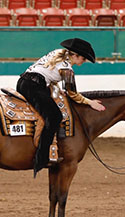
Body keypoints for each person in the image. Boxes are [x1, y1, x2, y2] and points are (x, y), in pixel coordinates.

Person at [16, 38, 106, 177]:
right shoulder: (67, 69)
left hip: (25, 82)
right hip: (34, 87)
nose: (84, 61)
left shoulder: (58, 53)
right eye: (83, 58)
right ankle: (43, 156)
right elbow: (73, 94)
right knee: (55, 116)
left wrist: (57, 88)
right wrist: (90, 102)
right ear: (75, 55)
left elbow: (47, 74)